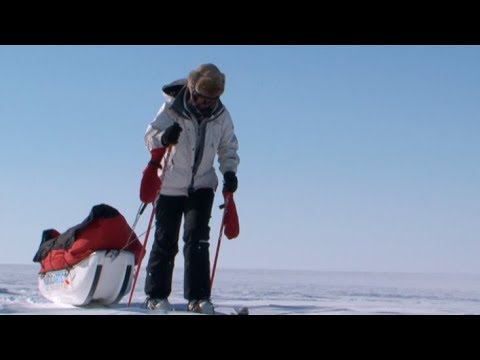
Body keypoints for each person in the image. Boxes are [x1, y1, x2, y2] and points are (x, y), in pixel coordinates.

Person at [143, 63, 239, 314]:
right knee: (165, 241)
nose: (207, 104)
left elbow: (228, 147)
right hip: (170, 185)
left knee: (198, 241)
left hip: (203, 185)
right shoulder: (172, 109)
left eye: (212, 99)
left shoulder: (221, 115)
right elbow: (150, 136)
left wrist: (229, 172)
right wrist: (164, 138)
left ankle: (198, 298)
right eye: (202, 98)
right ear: (192, 89)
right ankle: (155, 296)